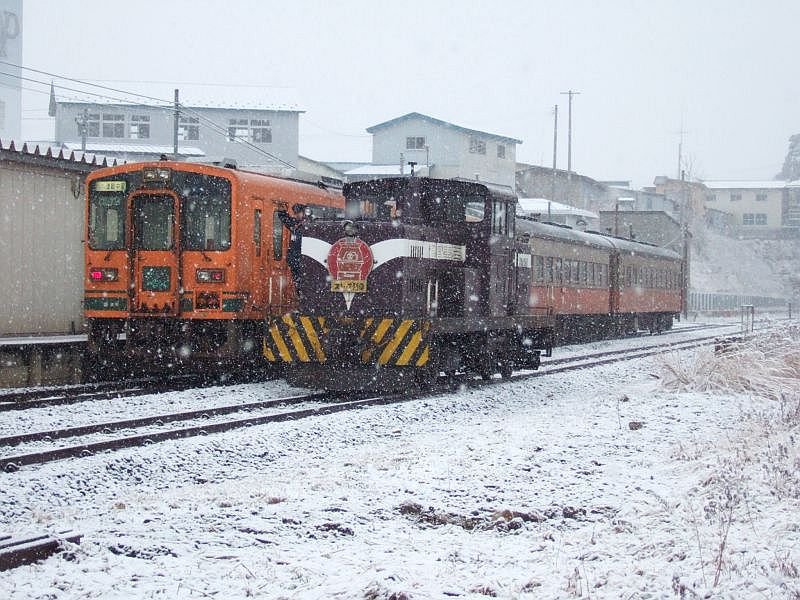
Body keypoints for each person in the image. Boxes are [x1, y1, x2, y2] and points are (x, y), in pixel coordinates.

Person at [278, 203, 307, 284]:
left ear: (303, 212)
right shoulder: (296, 225)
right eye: (295, 213)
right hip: (295, 262)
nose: (296, 215)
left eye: (298, 212)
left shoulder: (308, 226)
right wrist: (282, 212)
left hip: (302, 262)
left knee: (302, 283)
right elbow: (287, 220)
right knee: (297, 283)